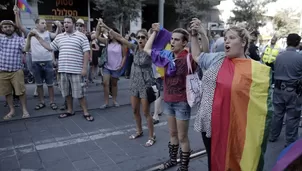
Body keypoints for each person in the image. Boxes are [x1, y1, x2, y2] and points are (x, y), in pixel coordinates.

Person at [191, 18, 272, 171]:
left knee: (233, 162)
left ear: (243, 42)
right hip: (209, 123)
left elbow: (264, 106)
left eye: (232, 38)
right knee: (214, 161)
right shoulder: (218, 58)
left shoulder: (256, 70)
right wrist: (194, 35)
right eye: (226, 38)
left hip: (234, 125)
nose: (227, 41)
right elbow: (196, 55)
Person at [144, 23, 197, 170]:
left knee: (182, 137)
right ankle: (173, 160)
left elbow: (202, 51)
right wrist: (155, 32)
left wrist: (197, 35)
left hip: (182, 103)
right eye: (171, 39)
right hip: (168, 101)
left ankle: (184, 167)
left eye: (177, 40)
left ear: (184, 42)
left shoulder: (189, 58)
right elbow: (147, 49)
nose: (172, 42)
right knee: (173, 134)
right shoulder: (166, 56)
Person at [96, 18, 156, 146]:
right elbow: (120, 38)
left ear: (147, 39)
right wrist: (106, 26)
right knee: (135, 110)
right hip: (134, 83)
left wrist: (155, 32)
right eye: (138, 37)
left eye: (143, 37)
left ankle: (151, 136)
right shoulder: (134, 48)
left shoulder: (150, 51)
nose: (140, 39)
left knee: (146, 112)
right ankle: (139, 130)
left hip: (146, 84)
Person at [28, 16, 94, 122]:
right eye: (64, 22)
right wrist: (38, 38)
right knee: (67, 93)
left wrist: (84, 68)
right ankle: (70, 110)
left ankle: (86, 112)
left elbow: (86, 52)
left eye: (68, 22)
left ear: (73, 24)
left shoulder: (81, 36)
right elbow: (50, 47)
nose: (66, 24)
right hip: (63, 70)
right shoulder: (59, 37)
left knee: (80, 94)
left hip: (76, 70)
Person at [269, 33, 302, 147]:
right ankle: (290, 142)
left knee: (277, 114)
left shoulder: (279, 56)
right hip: (293, 91)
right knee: (292, 117)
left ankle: (273, 136)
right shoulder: (300, 57)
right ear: (298, 43)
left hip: (278, 90)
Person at [24, 18, 62, 111]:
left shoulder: (48, 33)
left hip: (48, 61)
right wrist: (16, 14)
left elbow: (57, 35)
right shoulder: (31, 33)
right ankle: (41, 102)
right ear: (37, 24)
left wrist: (59, 26)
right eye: (42, 23)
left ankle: (52, 102)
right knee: (39, 84)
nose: (45, 24)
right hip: (36, 62)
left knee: (50, 84)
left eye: (45, 23)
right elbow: (20, 26)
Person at [0, 20, 30, 119]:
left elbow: (25, 49)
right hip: (2, 71)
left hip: (16, 70)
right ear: (2, 29)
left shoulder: (19, 39)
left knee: (21, 91)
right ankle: (11, 110)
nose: (8, 28)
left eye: (10, 26)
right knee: (7, 92)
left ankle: (24, 110)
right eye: (5, 27)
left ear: (13, 28)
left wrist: (28, 37)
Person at [95, 21, 127, 109]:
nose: (110, 34)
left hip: (116, 67)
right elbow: (97, 37)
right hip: (107, 67)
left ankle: (114, 100)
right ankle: (106, 102)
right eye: (109, 33)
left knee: (114, 84)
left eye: (111, 32)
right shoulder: (106, 42)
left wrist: (121, 65)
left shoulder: (122, 44)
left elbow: (124, 56)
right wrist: (99, 27)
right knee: (105, 83)